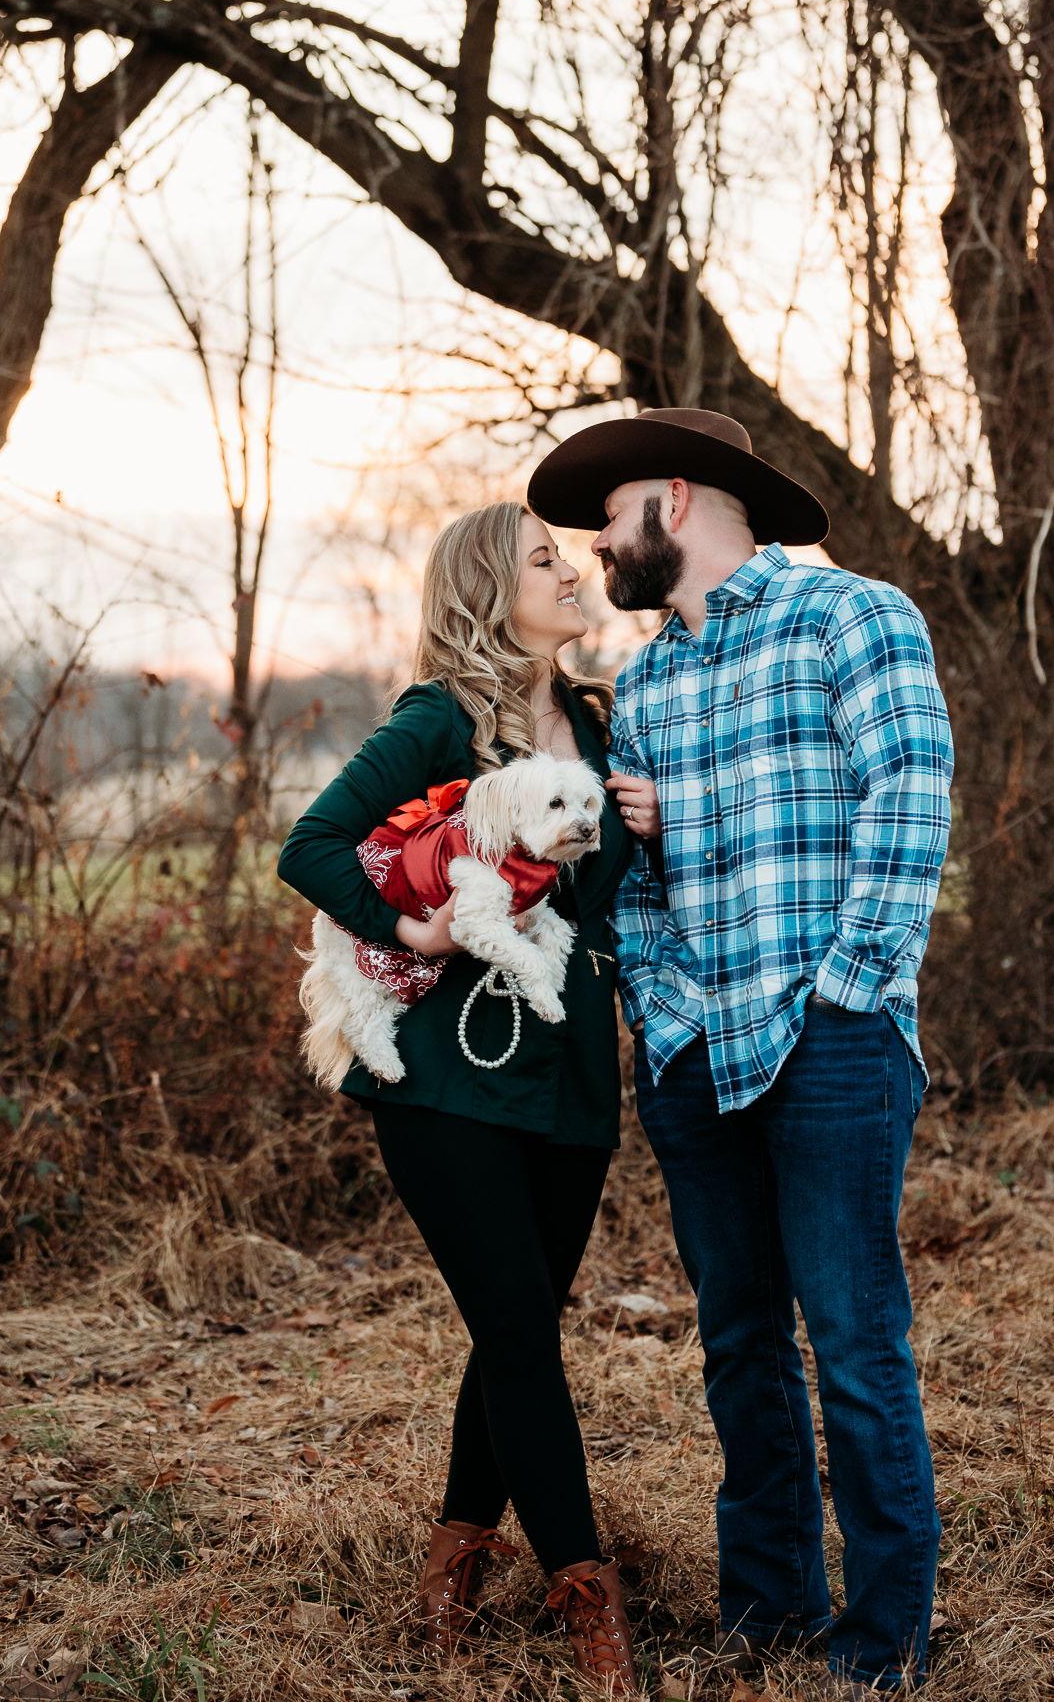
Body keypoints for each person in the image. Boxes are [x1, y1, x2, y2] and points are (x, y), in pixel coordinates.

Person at [527, 409, 956, 1693]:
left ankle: (881, 1641)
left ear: (673, 498)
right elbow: (642, 884)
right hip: (692, 1049)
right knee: (737, 1343)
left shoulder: (850, 616)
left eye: (610, 518)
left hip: (829, 1041)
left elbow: (908, 799)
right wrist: (657, 1015)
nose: (597, 545)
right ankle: (768, 1608)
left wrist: (846, 994)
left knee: (854, 1339)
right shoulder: (648, 681)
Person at [277, 501, 644, 1695]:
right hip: (450, 1077)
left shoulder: (599, 722)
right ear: (491, 589)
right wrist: (411, 927)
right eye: (544, 559)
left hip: (572, 1070)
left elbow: (600, 895)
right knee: (522, 1332)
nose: (572, 570)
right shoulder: (438, 719)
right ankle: (589, 1600)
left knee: (512, 1329)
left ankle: (451, 1575)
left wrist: (640, 824)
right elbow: (311, 845)